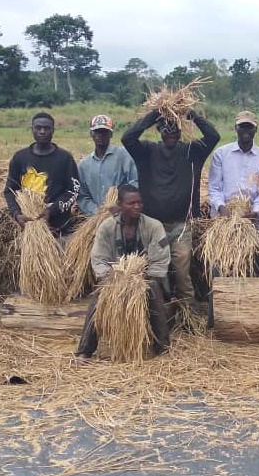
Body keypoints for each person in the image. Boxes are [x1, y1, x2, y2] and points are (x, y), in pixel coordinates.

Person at [122, 108, 220, 307]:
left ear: (181, 131)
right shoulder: (147, 152)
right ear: (159, 130)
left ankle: (188, 316)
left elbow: (213, 136)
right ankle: (159, 312)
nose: (171, 132)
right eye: (166, 128)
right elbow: (127, 138)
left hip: (181, 226)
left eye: (175, 128)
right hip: (151, 226)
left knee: (183, 273)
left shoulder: (192, 152)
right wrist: (152, 115)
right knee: (156, 273)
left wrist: (194, 116)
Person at [75, 185, 171, 360]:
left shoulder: (154, 226)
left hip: (145, 279)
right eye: (131, 203)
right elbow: (98, 259)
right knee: (98, 300)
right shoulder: (106, 227)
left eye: (139, 202)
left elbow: (161, 259)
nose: (137, 206)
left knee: (154, 294)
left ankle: (162, 347)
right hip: (114, 280)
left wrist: (141, 279)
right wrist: (114, 279)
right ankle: (85, 350)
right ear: (119, 205)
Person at [207, 110, 259, 280]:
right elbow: (214, 188)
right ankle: (218, 306)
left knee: (252, 269)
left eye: (249, 127)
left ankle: (248, 306)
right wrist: (222, 208)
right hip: (223, 223)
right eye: (242, 126)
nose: (246, 130)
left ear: (255, 130)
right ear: (235, 128)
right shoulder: (221, 154)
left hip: (252, 225)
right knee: (219, 270)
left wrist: (255, 212)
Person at [4, 112, 80, 240]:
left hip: (60, 231)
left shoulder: (65, 158)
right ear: (32, 130)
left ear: (53, 131)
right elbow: (10, 190)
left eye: (46, 128)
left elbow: (73, 191)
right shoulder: (20, 158)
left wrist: (51, 210)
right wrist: (17, 214)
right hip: (29, 230)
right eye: (38, 128)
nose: (42, 131)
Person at [77, 114, 138, 216]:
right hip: (96, 218)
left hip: (123, 215)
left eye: (104, 131)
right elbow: (82, 195)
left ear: (111, 134)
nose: (100, 135)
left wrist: (121, 205)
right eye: (97, 131)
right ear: (91, 134)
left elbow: (135, 182)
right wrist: (97, 211)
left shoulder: (123, 156)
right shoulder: (84, 165)